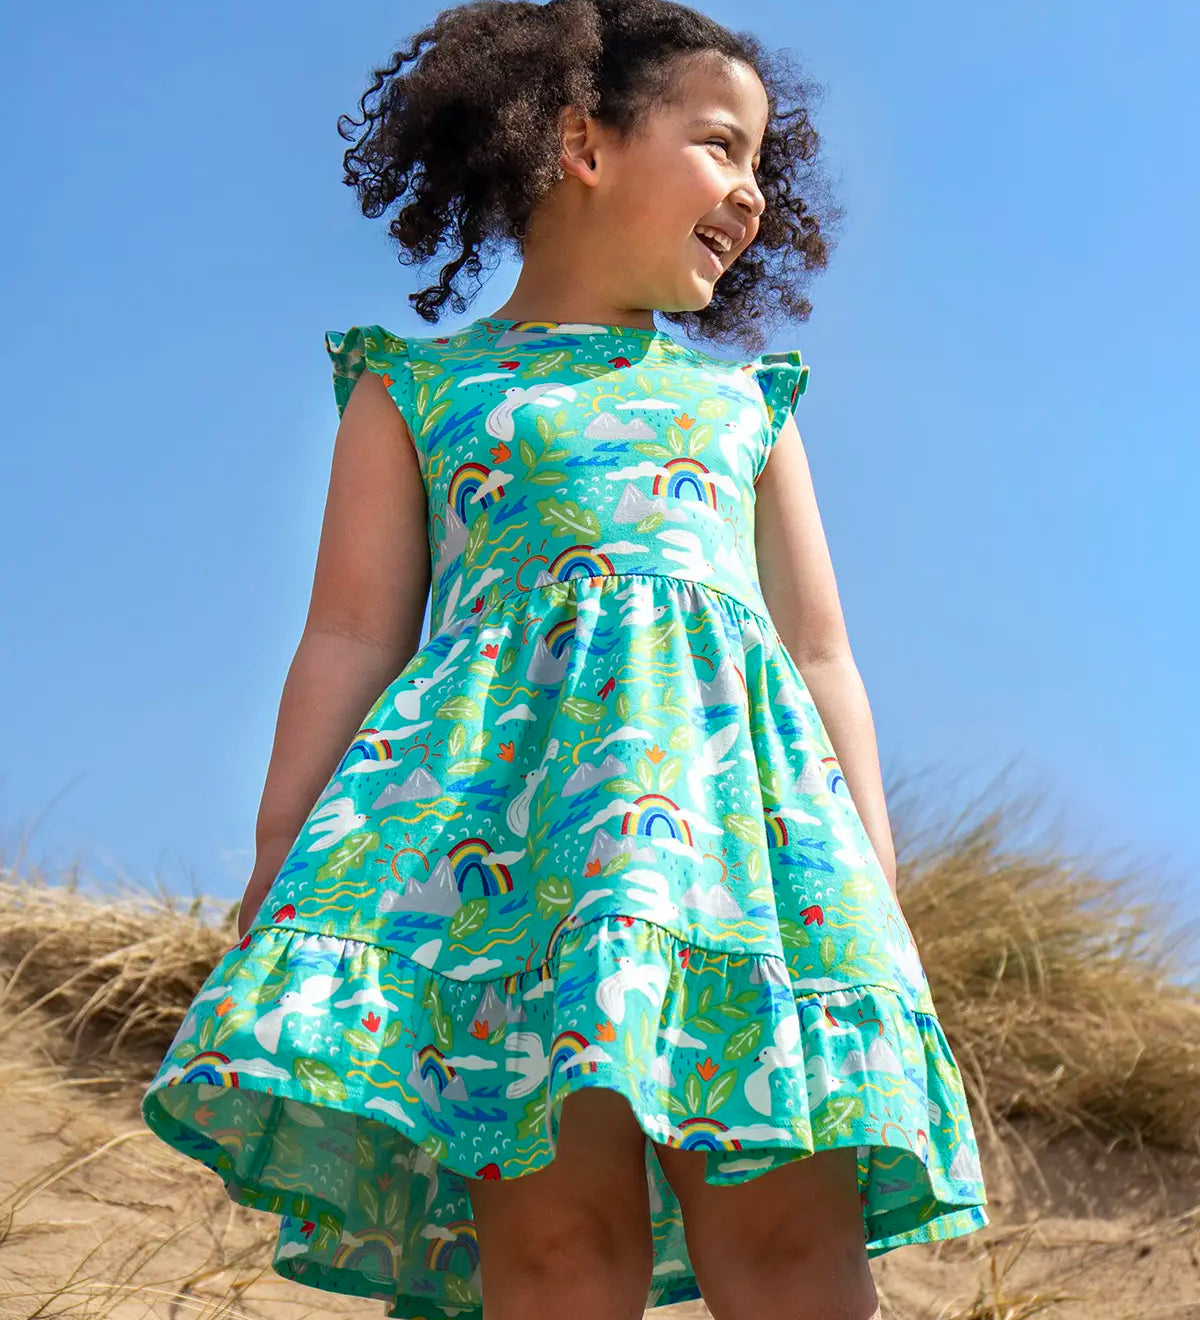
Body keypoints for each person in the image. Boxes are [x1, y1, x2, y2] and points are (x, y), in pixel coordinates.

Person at [140, 2, 988, 1317]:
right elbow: (352, 633)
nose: (752, 195)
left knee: (784, 1238)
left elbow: (819, 652)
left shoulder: (743, 405)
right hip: (507, 871)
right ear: (583, 141)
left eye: (763, 165)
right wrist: (282, 849)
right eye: (720, 146)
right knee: (549, 1246)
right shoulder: (413, 390)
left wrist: (873, 882)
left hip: (746, 865)